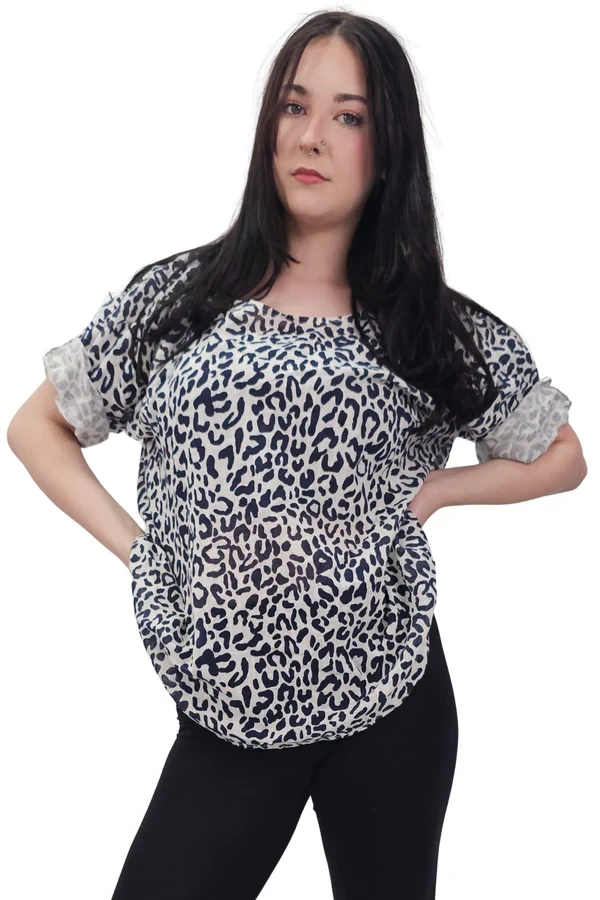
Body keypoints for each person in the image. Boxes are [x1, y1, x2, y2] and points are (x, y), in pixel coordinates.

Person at [7, 10, 586, 900]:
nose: (312, 136)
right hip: (227, 698)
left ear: (387, 151)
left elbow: (563, 456)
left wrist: (440, 488)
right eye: (293, 106)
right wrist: (143, 553)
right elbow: (35, 427)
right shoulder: (184, 297)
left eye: (349, 116)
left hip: (388, 688)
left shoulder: (424, 323)